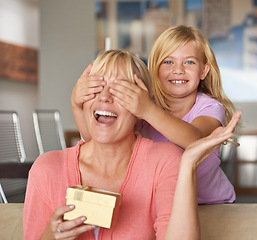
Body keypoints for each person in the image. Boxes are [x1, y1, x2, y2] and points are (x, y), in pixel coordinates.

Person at [23, 49, 241, 240]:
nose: (105, 97)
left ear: (141, 109)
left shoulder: (165, 161)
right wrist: (51, 236)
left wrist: (187, 163)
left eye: (121, 92)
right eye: (96, 88)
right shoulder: (47, 169)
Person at [71, 25, 238, 204]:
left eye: (189, 62)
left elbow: (195, 140)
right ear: (155, 68)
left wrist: (148, 110)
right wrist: (76, 104)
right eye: (168, 62)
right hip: (161, 203)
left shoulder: (209, 106)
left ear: (203, 71)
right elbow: (94, 141)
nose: (178, 70)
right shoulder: (143, 103)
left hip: (209, 204)